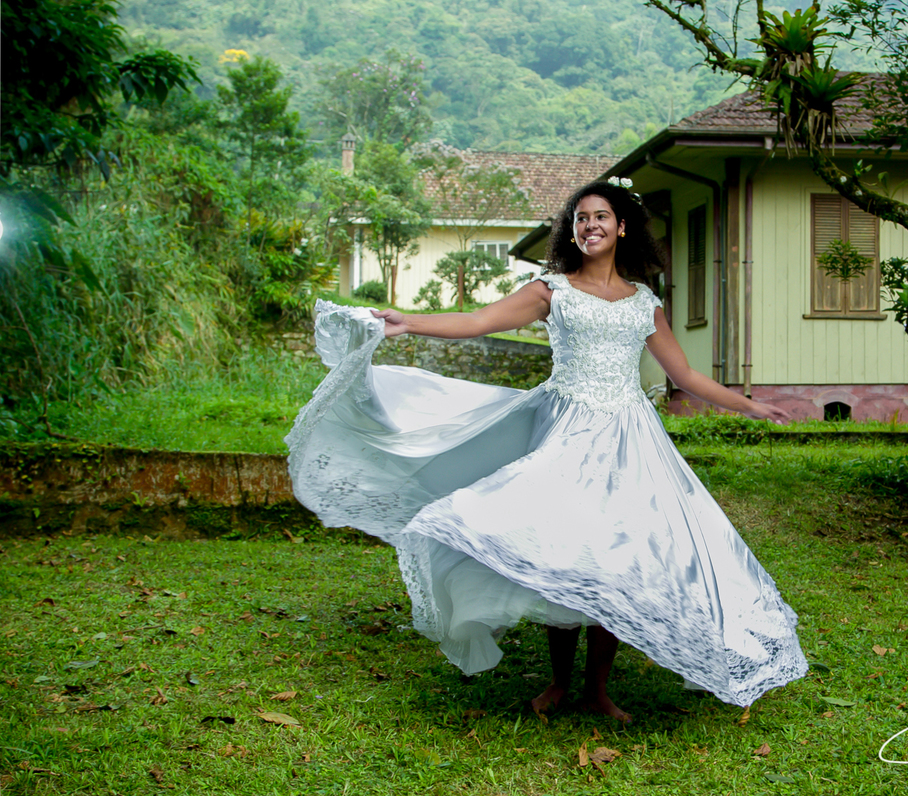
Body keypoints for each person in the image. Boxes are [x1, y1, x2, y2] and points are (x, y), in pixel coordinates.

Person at [286, 179, 807, 724]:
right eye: (580, 218)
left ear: (621, 227)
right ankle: (559, 682)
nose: (590, 225)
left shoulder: (644, 303)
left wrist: (749, 406)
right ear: (572, 230)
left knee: (618, 560)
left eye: (600, 216)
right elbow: (478, 321)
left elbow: (686, 375)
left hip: (631, 442)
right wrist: (408, 321)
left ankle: (598, 691)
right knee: (560, 550)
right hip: (565, 432)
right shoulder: (550, 290)